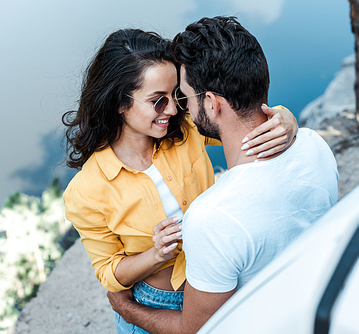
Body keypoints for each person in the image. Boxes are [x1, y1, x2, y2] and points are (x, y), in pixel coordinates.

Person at [106, 16, 339, 334]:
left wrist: (131, 312)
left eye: (184, 96)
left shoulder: (211, 219)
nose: (179, 109)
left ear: (212, 104)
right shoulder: (314, 145)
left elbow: (195, 330)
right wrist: (286, 117)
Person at [62, 28, 298, 333]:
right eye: (158, 101)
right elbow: (109, 273)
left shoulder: (186, 128)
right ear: (120, 102)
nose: (174, 109)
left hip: (219, 281)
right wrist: (156, 254)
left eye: (175, 95)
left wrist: (283, 119)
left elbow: (242, 122)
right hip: (157, 303)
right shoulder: (86, 191)